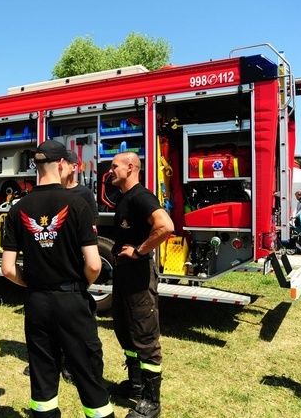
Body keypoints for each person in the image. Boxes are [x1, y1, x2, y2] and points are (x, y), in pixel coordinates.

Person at [1, 140, 114, 418]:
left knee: (43, 380)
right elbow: (94, 264)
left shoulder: (18, 209)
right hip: (71, 299)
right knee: (88, 375)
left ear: (37, 167)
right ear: (62, 165)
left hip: (37, 302)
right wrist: (80, 286)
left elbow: (7, 268)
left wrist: (32, 283)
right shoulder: (77, 203)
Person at [108, 151, 173, 418]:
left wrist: (139, 250)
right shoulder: (124, 197)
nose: (110, 171)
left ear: (130, 167)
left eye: (114, 167)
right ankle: (135, 385)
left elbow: (165, 226)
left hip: (138, 276)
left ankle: (151, 401)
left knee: (145, 336)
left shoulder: (141, 197)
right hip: (123, 276)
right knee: (125, 329)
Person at [64, 150, 100, 229]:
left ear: (74, 167)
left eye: (64, 163)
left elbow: (93, 223)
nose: (60, 166)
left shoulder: (85, 193)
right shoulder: (53, 192)